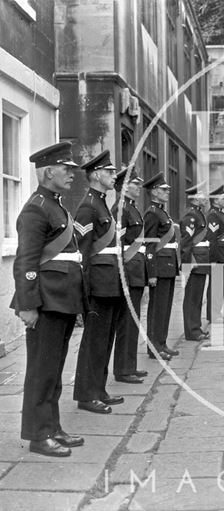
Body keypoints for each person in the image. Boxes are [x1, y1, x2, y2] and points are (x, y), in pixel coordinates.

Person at [11, 142, 85, 456]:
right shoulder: (35, 208)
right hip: (45, 301)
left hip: (63, 299)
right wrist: (27, 305)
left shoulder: (56, 206)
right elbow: (25, 261)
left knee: (54, 370)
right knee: (42, 370)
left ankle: (52, 426)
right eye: (66, 169)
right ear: (47, 171)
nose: (71, 174)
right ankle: (39, 435)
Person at [73, 150, 125, 414]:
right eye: (109, 172)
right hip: (98, 286)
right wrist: (83, 295)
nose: (114, 176)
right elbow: (81, 254)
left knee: (105, 340)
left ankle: (99, 389)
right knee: (94, 340)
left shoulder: (102, 203)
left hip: (111, 281)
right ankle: (86, 394)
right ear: (95, 174)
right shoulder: (88, 207)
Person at [111, 166, 148, 383]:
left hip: (137, 269)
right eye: (135, 184)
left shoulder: (132, 208)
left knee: (133, 321)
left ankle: (130, 366)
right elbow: (119, 244)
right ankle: (123, 369)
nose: (139, 187)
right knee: (126, 322)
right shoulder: (121, 210)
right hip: (129, 270)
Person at [143, 173, 180, 360]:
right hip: (159, 266)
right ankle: (154, 347)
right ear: (154, 191)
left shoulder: (162, 212)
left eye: (168, 190)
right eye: (164, 190)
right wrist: (151, 272)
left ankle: (162, 343)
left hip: (168, 265)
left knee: (165, 308)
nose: (167, 192)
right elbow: (149, 244)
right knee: (157, 308)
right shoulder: (151, 213)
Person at [180, 184, 210, 341]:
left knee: (197, 296)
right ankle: (191, 331)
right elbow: (186, 243)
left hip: (202, 260)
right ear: (195, 198)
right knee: (192, 297)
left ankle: (196, 327)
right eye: (202, 195)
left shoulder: (199, 213)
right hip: (195, 262)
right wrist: (188, 264)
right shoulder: (191, 216)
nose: (205, 198)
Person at [205, 186, 224, 324]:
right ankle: (213, 314)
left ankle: (217, 312)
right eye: (223, 198)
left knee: (220, 288)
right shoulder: (213, 215)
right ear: (215, 200)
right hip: (219, 257)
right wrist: (214, 259)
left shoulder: (222, 214)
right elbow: (212, 239)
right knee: (215, 287)